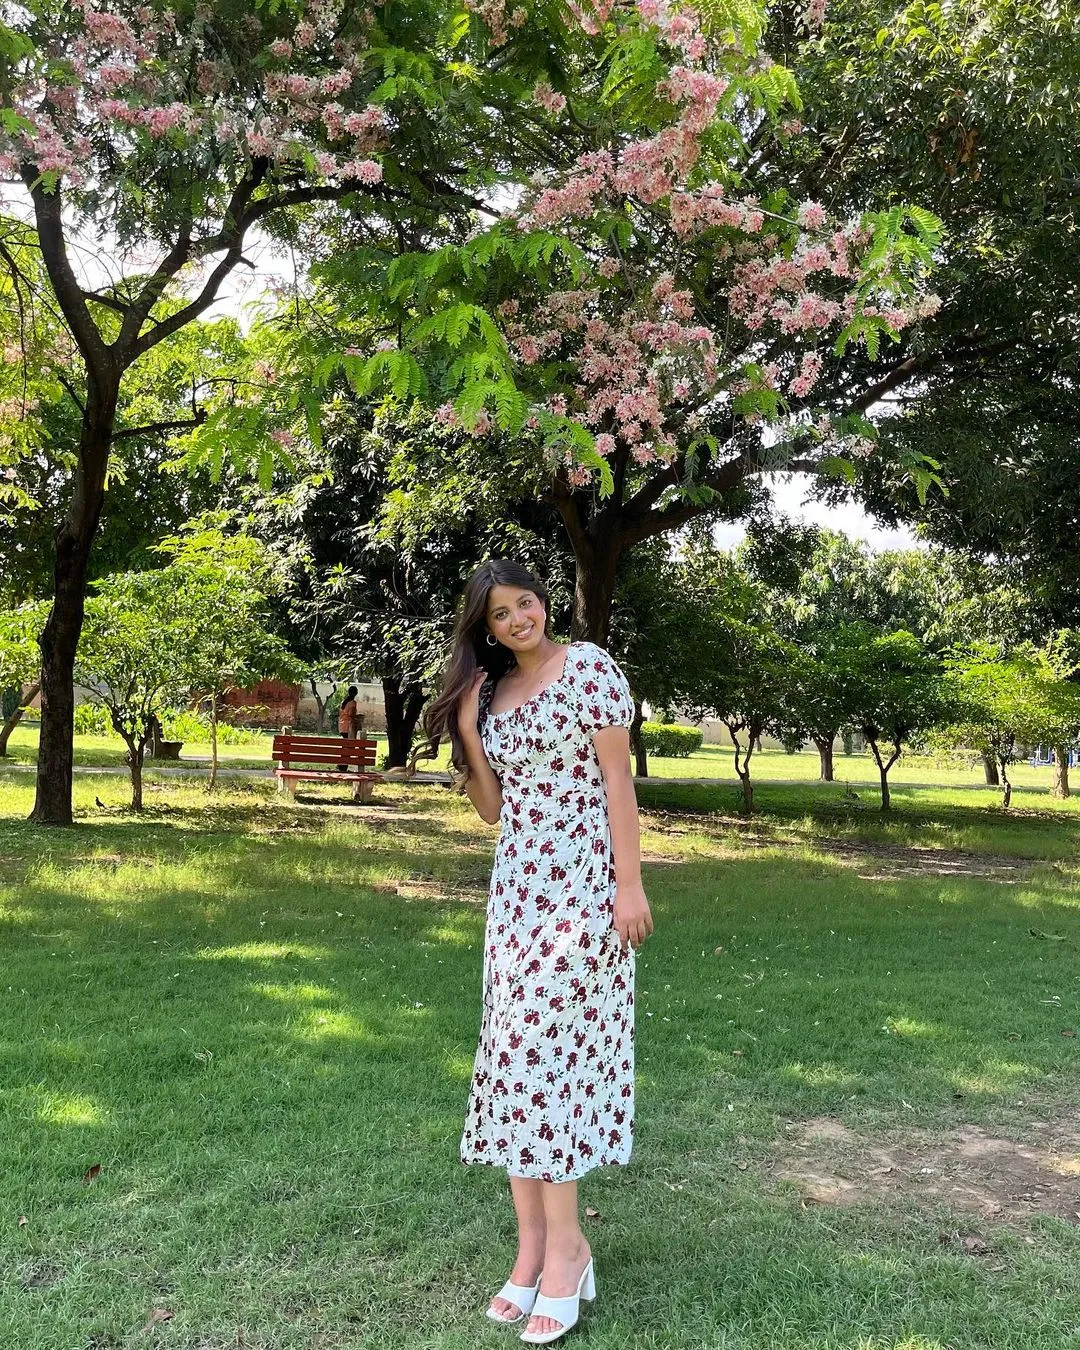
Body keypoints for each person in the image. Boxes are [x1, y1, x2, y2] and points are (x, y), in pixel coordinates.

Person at [420, 559, 653, 1344]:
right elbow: (492, 809)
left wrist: (630, 887)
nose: (520, 619)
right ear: (484, 630)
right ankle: (532, 1253)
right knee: (515, 1065)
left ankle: (569, 1252)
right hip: (517, 898)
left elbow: (618, 786)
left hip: (586, 890)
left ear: (543, 604)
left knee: (546, 1061)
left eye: (527, 603)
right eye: (501, 614)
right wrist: (463, 733)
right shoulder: (489, 695)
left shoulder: (586, 668)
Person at [337, 685, 358, 771]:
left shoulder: (344, 702)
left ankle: (342, 765)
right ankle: (343, 765)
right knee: (349, 747)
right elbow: (352, 715)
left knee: (345, 746)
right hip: (348, 727)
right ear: (356, 693)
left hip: (342, 726)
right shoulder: (353, 703)